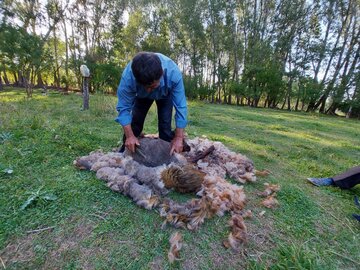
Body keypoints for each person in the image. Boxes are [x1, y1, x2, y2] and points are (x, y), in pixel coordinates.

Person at [116, 52, 187, 154]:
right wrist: (129, 136)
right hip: (141, 96)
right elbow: (123, 108)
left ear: (161, 73)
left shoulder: (173, 73)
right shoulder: (128, 77)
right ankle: (125, 151)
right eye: (146, 86)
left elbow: (181, 107)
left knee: (165, 127)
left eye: (152, 86)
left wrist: (179, 138)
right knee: (135, 124)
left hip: (165, 95)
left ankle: (166, 155)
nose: (149, 91)